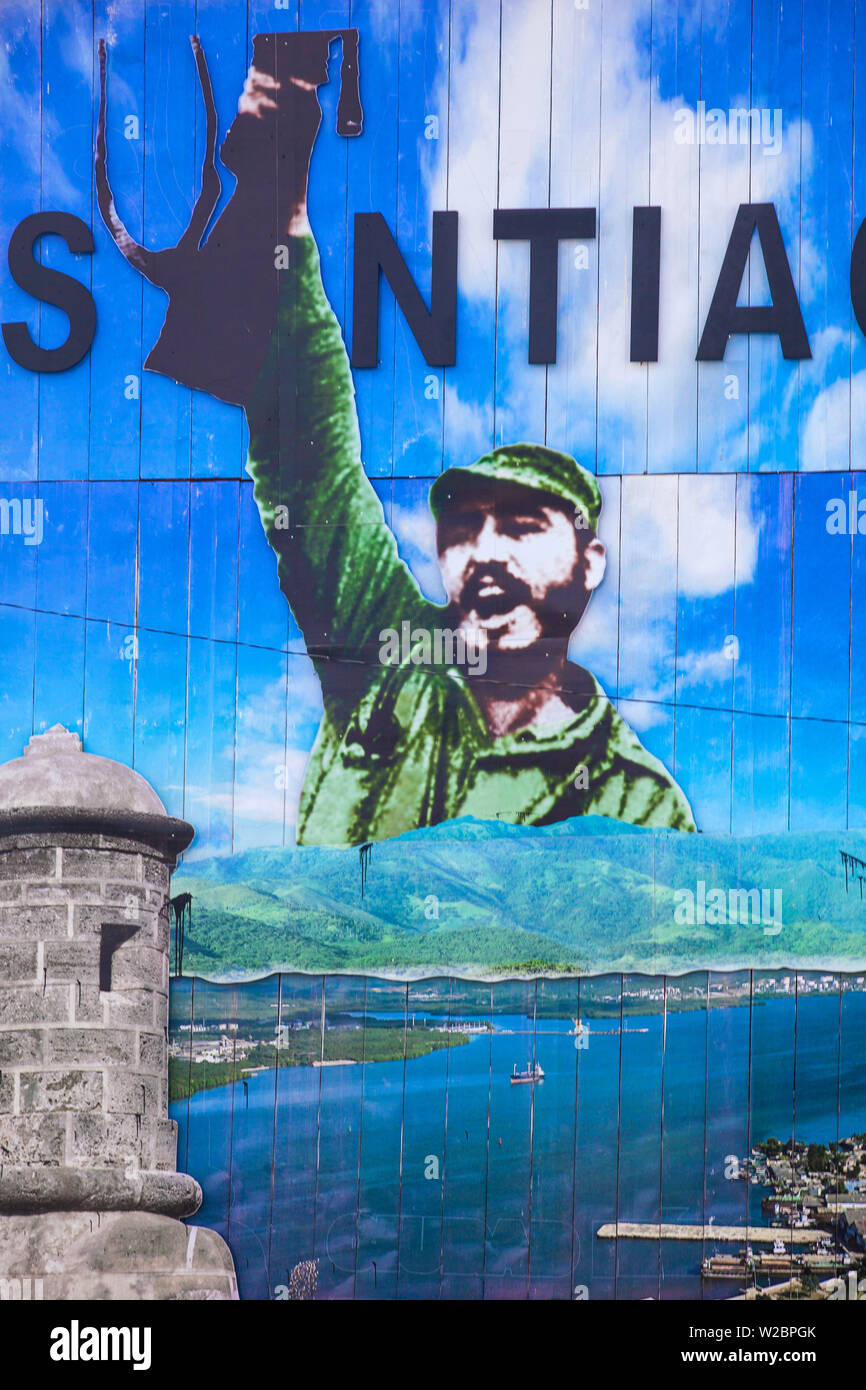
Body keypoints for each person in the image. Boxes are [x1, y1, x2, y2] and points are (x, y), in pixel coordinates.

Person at [239, 66, 696, 846]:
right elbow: (311, 462)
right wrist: (277, 206)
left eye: (521, 524)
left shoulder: (636, 804)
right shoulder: (382, 653)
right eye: (461, 529)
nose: (483, 552)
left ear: (590, 564)